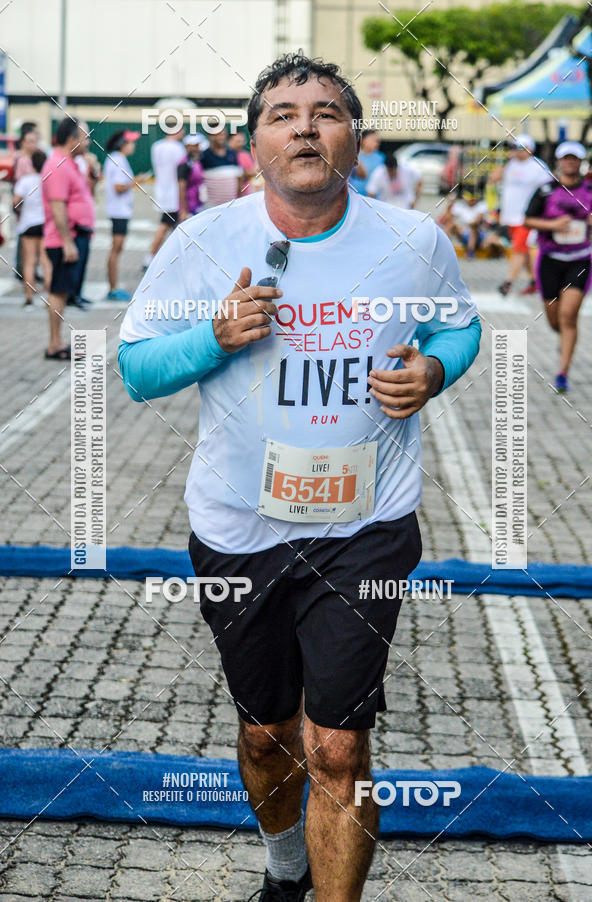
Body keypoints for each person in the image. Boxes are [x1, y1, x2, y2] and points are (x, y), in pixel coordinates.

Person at [118, 52, 480, 902]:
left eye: (326, 112)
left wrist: (433, 372)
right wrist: (214, 337)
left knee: (339, 746)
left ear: (357, 138)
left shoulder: (412, 240)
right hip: (240, 529)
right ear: (254, 146)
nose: (306, 126)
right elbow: (137, 369)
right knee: (265, 736)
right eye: (284, 114)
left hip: (367, 526)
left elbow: (457, 330)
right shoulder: (204, 242)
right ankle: (286, 875)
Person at [524, 141, 592, 392]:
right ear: (559, 161)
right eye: (566, 158)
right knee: (554, 318)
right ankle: (564, 338)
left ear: (580, 162)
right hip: (550, 260)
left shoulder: (591, 191)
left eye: (575, 158)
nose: (570, 162)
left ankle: (562, 373)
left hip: (578, 260)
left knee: (569, 315)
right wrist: (553, 225)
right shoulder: (546, 190)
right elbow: (527, 220)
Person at [41, 116, 95, 360]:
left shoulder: (71, 164)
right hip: (66, 238)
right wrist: (67, 242)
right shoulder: (58, 165)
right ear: (73, 140)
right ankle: (55, 344)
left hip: (75, 235)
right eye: (85, 137)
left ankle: (58, 340)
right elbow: (58, 207)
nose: (89, 142)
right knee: (58, 291)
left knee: (63, 291)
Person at [491, 134, 550, 296]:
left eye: (520, 148)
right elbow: (493, 179)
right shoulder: (510, 165)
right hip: (509, 215)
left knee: (518, 249)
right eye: (514, 148)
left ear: (530, 149)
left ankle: (508, 283)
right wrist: (505, 161)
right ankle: (534, 281)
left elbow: (549, 190)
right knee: (522, 250)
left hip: (526, 218)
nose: (516, 151)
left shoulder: (539, 167)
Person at [104, 129, 146, 300]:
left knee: (117, 249)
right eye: (131, 142)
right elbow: (118, 187)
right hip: (118, 211)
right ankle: (113, 288)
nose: (133, 146)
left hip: (120, 211)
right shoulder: (118, 159)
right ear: (123, 143)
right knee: (116, 249)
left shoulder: (117, 159)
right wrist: (137, 181)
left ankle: (113, 286)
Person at [144, 119, 185, 269]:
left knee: (175, 228)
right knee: (165, 226)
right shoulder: (178, 148)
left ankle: (173, 258)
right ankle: (150, 259)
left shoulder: (157, 146)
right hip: (174, 193)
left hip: (162, 190)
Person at [12, 149, 51, 306]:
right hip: (45, 224)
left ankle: (29, 296)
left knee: (29, 261)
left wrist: (20, 211)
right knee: (46, 260)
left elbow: (16, 202)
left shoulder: (25, 180)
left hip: (28, 224)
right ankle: (50, 297)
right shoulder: (48, 180)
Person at [201, 126, 244, 206]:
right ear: (210, 136)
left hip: (231, 205)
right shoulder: (204, 156)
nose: (220, 137)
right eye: (217, 134)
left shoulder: (232, 154)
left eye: (222, 134)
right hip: (211, 206)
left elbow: (239, 179)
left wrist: (239, 201)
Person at [177, 134, 205, 220]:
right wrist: (183, 210)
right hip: (190, 206)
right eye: (194, 146)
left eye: (198, 145)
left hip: (198, 204)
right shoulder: (185, 164)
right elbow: (181, 188)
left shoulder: (197, 162)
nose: (197, 148)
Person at [349, 129, 384, 195]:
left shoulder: (381, 158)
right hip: (355, 195)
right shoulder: (354, 155)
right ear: (363, 140)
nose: (376, 142)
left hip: (375, 198)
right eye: (372, 139)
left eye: (377, 140)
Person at [229, 129, 258, 194]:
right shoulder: (225, 155)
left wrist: (241, 174)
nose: (241, 144)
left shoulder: (245, 155)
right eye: (238, 141)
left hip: (246, 193)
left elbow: (254, 172)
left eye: (242, 141)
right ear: (229, 141)